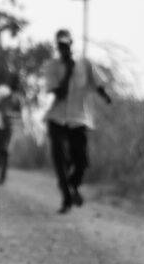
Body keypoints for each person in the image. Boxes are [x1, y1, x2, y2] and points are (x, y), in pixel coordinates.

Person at [44, 29, 112, 212]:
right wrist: (68, 72)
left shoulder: (85, 64)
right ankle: (67, 199)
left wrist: (105, 95)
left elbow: (98, 83)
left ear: (71, 44)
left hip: (79, 118)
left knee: (81, 161)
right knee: (60, 160)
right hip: (57, 119)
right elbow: (59, 93)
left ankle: (72, 185)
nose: (64, 48)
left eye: (66, 45)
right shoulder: (52, 66)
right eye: (61, 45)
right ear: (57, 46)